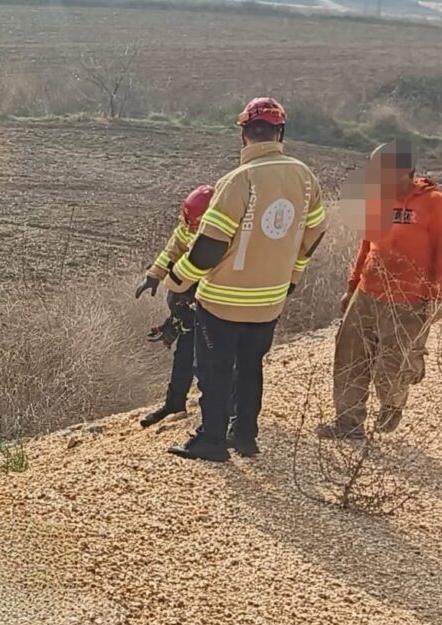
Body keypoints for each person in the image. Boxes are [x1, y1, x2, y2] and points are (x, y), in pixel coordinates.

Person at [162, 97, 327, 462]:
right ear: (279, 132)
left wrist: (178, 281)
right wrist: (292, 275)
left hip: (223, 301)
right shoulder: (305, 177)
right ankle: (246, 436)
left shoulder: (239, 180)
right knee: (250, 368)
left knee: (215, 371)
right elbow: (316, 231)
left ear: (243, 136)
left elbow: (208, 247)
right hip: (270, 301)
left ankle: (211, 441)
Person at [318, 142, 442, 439]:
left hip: (409, 300)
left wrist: (436, 299)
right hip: (367, 292)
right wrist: (351, 287)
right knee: (350, 355)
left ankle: (393, 402)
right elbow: (366, 245)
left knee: (392, 365)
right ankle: (348, 424)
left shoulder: (434, 203)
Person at [136, 184, 215, 427]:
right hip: (190, 301)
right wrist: (154, 275)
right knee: (185, 352)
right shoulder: (188, 227)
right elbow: (172, 250)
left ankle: (217, 416)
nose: (190, 228)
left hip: (214, 304)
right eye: (188, 222)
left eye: (195, 224)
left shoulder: (221, 232)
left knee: (210, 360)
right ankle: (175, 403)